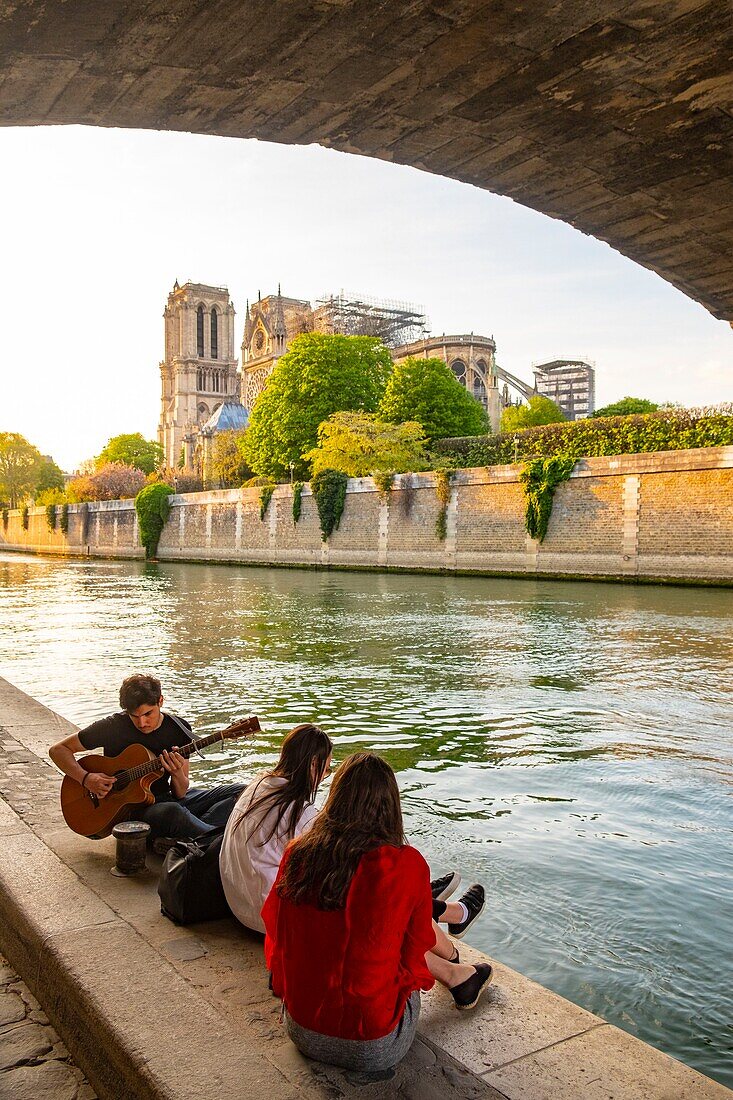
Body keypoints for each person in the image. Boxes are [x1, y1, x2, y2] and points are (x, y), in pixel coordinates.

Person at [262, 752, 493, 1076]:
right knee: (397, 932)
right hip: (375, 1044)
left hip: (301, 1028)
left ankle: (454, 944)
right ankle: (456, 960)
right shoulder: (405, 863)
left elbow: (276, 930)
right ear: (390, 806)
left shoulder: (297, 854)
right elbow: (413, 953)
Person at [49, 673, 245, 844]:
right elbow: (58, 750)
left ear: (160, 701)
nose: (142, 723)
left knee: (242, 792)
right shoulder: (112, 726)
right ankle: (219, 842)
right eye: (134, 716)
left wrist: (177, 774)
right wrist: (86, 778)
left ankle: (189, 837)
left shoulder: (179, 728)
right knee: (172, 812)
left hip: (167, 800)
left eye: (148, 714)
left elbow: (180, 793)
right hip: (132, 811)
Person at [220, 723, 333, 933]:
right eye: (326, 770)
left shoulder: (257, 786)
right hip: (267, 917)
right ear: (313, 764)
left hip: (237, 904)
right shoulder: (299, 810)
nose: (323, 778)